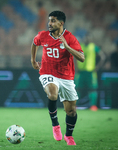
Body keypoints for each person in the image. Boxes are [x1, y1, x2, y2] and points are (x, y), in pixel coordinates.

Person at [31, 11, 84, 145]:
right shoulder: (43, 35)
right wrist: (33, 60)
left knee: (71, 111)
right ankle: (55, 125)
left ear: (61, 23)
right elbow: (34, 42)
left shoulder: (70, 38)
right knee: (52, 94)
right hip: (47, 73)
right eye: (49, 20)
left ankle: (69, 136)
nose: (49, 23)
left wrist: (67, 47)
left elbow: (82, 58)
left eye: (53, 21)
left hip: (66, 77)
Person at [75, 33, 105, 111]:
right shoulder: (79, 46)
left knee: (93, 89)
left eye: (89, 38)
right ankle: (75, 105)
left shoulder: (93, 47)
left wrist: (98, 67)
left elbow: (103, 57)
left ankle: (93, 105)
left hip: (91, 72)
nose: (87, 39)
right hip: (81, 71)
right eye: (86, 38)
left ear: (91, 39)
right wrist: (76, 66)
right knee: (78, 89)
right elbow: (74, 56)